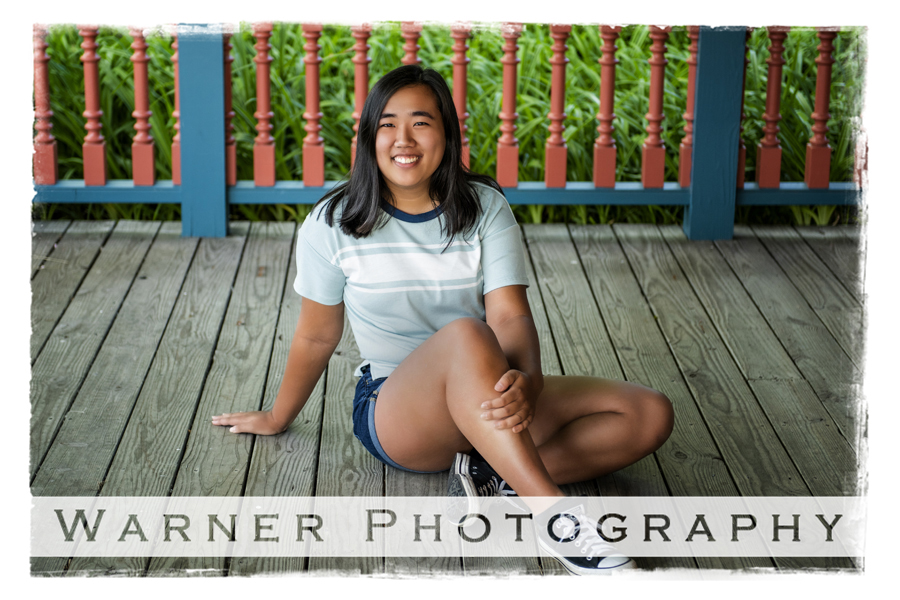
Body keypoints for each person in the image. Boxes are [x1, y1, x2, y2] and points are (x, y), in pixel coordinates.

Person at [212, 64, 674, 575]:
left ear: (447, 134)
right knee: (465, 335)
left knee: (648, 413)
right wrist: (277, 417)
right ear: (368, 136)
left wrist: (531, 382)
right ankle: (556, 518)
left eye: (421, 123)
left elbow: (509, 313)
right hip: (397, 411)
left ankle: (487, 475)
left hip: (487, 393)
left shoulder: (485, 208)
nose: (402, 139)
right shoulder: (332, 223)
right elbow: (317, 335)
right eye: (386, 124)